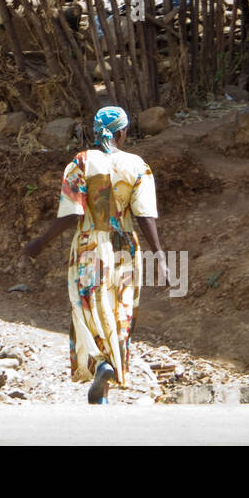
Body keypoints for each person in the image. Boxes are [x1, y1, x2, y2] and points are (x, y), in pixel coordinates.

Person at [23, 106, 168, 404]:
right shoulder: (138, 165)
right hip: (126, 247)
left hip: (90, 245)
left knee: (88, 308)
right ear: (122, 133)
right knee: (120, 311)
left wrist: (42, 241)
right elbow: (145, 216)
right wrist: (161, 258)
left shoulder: (81, 162)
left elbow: (72, 211)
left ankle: (101, 364)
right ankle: (106, 383)